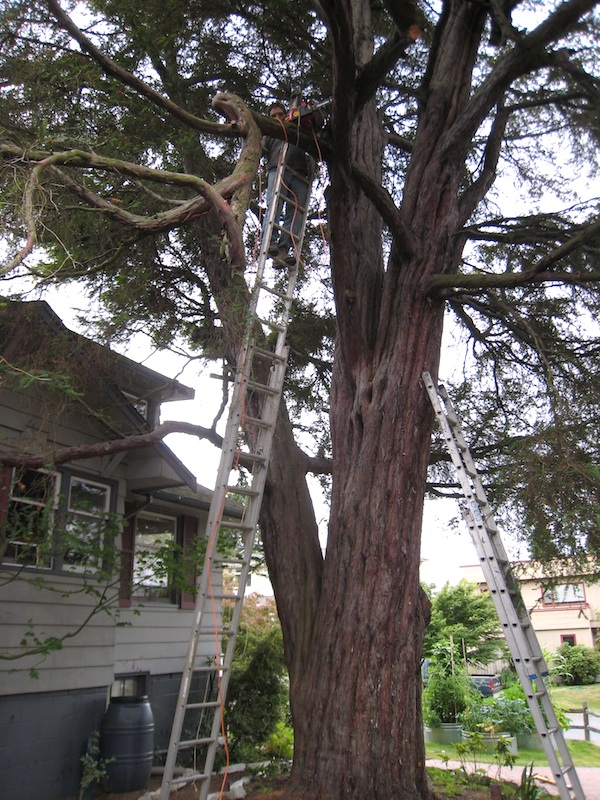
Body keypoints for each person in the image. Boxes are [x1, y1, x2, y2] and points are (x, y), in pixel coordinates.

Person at [261, 102, 314, 265]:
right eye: (273, 117)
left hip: (298, 172)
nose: (277, 119)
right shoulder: (269, 132)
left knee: (296, 213)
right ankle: (269, 241)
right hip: (277, 169)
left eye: (279, 115)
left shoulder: (295, 128)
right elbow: (261, 148)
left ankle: (283, 251)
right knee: (275, 205)